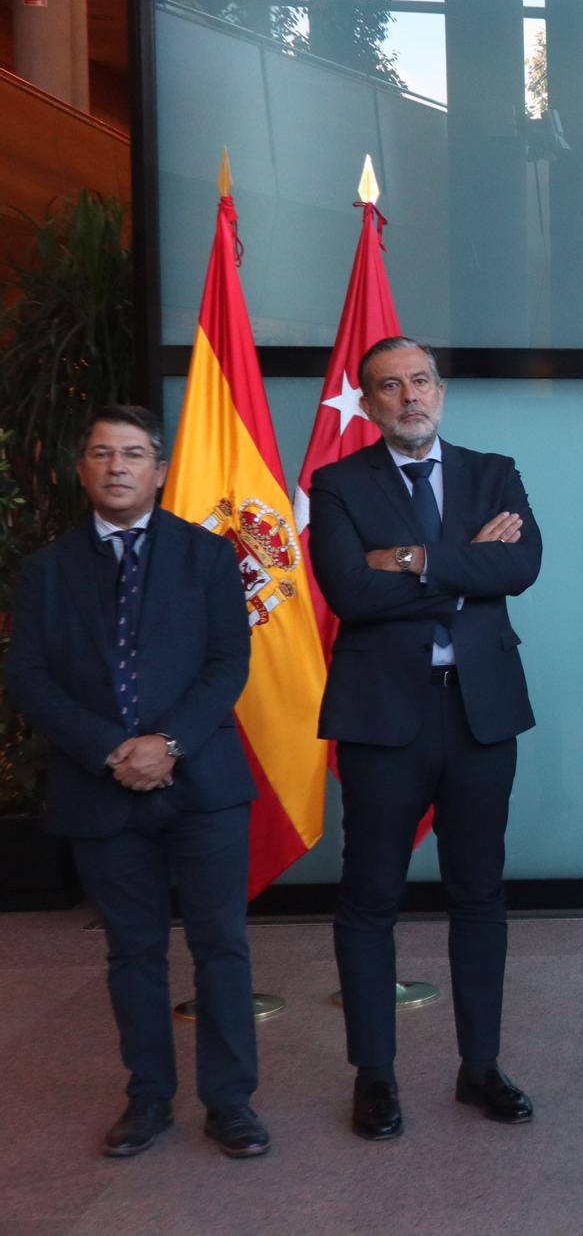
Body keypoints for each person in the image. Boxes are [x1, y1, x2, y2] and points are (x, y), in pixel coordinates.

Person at [6, 405, 270, 1158]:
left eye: (132, 453)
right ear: (81, 469)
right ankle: (149, 1097)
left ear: (159, 468)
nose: (116, 466)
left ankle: (231, 1103)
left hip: (205, 787)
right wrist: (113, 749)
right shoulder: (47, 569)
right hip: (100, 786)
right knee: (132, 951)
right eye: (100, 452)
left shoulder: (209, 556)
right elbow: (28, 675)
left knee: (221, 945)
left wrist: (170, 742)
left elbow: (229, 663)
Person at [309, 336, 542, 1141]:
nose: (410, 396)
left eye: (420, 381)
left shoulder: (492, 472)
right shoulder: (338, 483)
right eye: (389, 386)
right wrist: (460, 565)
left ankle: (481, 1066)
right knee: (371, 898)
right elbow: (349, 591)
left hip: (480, 713)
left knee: (480, 893)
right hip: (382, 719)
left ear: (440, 389)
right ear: (368, 404)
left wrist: (409, 559)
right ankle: (374, 1074)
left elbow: (519, 570)